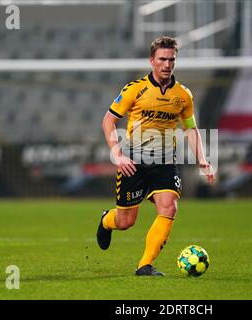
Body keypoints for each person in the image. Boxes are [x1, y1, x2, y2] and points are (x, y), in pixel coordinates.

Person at [97, 35, 215, 276]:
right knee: (126, 221)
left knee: (169, 207)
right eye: (162, 59)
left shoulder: (183, 95)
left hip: (165, 162)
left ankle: (144, 265)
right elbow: (109, 120)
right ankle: (107, 220)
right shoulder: (135, 89)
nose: (167, 64)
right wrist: (117, 153)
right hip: (134, 162)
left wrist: (201, 158)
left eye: (172, 59)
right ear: (152, 60)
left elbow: (190, 128)